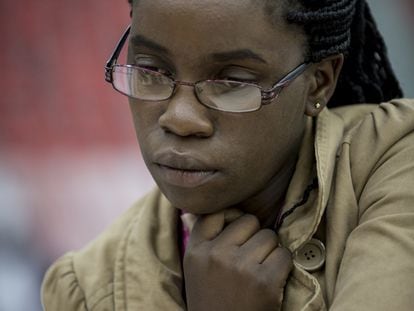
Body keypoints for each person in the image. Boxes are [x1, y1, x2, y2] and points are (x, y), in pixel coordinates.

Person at [41, 0, 414, 310]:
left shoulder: (395, 162)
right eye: (151, 70)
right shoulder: (87, 289)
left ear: (319, 81)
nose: (179, 118)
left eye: (233, 82)